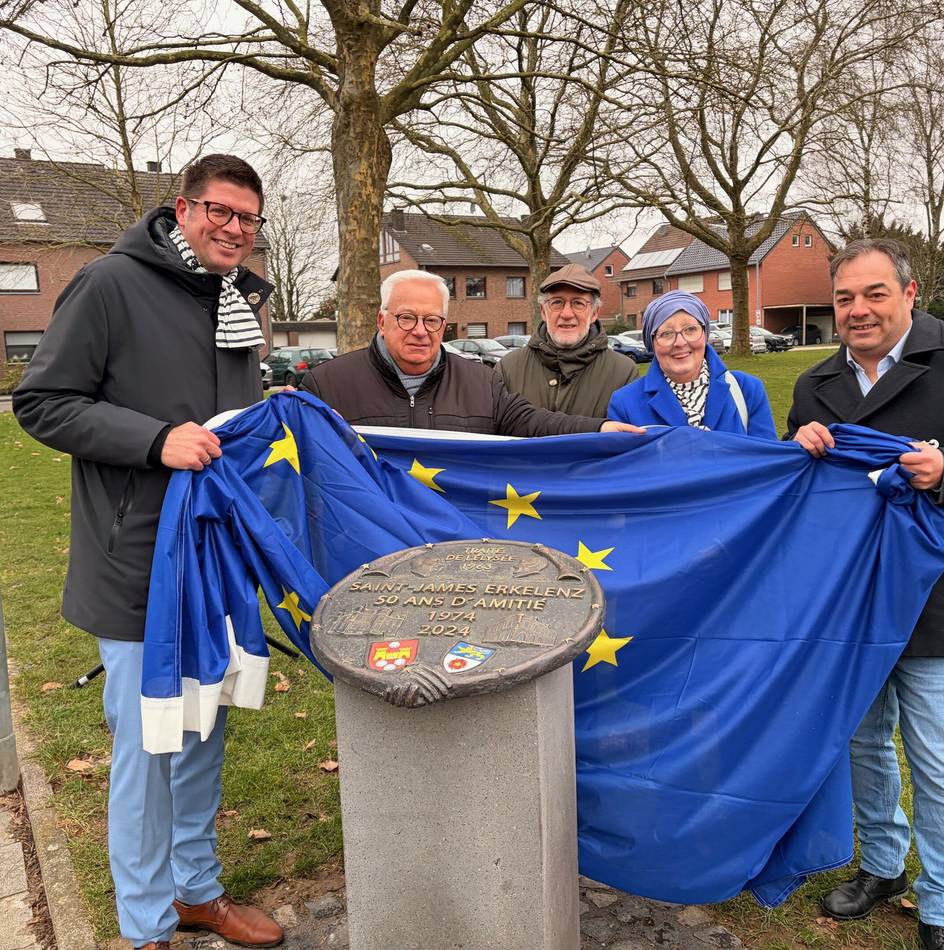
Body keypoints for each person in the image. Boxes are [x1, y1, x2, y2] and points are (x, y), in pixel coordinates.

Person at [13, 155, 284, 950]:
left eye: (248, 217)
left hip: (214, 560)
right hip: (136, 561)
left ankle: (196, 889)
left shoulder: (238, 301)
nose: (234, 228)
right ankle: (145, 927)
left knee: (204, 730)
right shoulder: (109, 284)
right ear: (182, 208)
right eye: (219, 211)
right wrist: (154, 440)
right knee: (147, 745)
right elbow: (42, 401)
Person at [786, 239, 944, 950]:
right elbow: (795, 489)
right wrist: (800, 440)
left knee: (939, 760)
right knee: (865, 743)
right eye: (846, 298)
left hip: (934, 601)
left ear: (909, 294)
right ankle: (883, 864)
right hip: (848, 599)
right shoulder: (816, 383)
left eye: (874, 294)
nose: (858, 310)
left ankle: (943, 899)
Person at [300, 269, 642, 437]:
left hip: (454, 545)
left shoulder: (481, 382)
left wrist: (599, 429)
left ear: (444, 324)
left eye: (432, 320)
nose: (420, 330)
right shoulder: (326, 385)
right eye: (407, 318)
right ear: (382, 320)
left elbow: (536, 422)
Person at [606, 290, 777, 438]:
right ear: (652, 343)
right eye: (666, 333)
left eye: (690, 329)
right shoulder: (625, 403)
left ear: (704, 333)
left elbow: (768, 464)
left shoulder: (746, 390)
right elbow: (627, 471)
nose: (680, 342)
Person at [496, 262, 638, 417]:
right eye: (557, 302)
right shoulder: (508, 369)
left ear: (595, 313)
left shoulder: (623, 373)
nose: (567, 314)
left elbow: (629, 438)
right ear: (544, 312)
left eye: (578, 303)